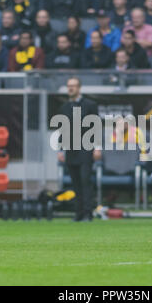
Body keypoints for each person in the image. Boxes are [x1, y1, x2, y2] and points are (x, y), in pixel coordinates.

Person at [57, 77, 101, 222]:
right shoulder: (64, 108)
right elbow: (62, 129)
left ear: (79, 88)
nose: (71, 89)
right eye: (69, 86)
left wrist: (97, 147)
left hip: (86, 148)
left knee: (85, 180)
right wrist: (60, 149)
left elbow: (96, 127)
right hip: (70, 149)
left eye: (73, 86)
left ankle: (88, 212)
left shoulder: (90, 105)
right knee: (75, 182)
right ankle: (79, 212)